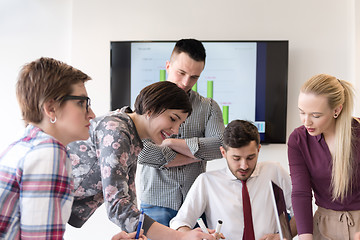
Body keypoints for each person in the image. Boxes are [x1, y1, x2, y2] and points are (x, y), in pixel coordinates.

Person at [67, 81, 216, 240]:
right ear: (151, 109)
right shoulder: (117, 131)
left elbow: (127, 198)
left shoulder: (131, 135)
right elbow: (117, 205)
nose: (176, 130)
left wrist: (137, 233)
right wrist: (180, 237)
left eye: (180, 124)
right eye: (173, 119)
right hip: (48, 203)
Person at [0, 57, 96, 239]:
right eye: (82, 103)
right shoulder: (48, 152)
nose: (91, 114)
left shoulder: (22, 146)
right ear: (51, 108)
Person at [138, 38, 225, 227]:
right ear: (168, 66)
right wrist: (198, 155)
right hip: (155, 204)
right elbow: (144, 152)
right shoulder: (146, 101)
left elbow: (220, 147)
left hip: (195, 205)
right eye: (181, 73)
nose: (186, 82)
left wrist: (169, 144)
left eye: (194, 77)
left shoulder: (208, 107)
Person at [169, 119, 297, 240]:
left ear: (258, 150)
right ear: (223, 153)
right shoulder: (207, 182)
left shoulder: (274, 171)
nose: (244, 166)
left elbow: (301, 211)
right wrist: (195, 236)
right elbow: (179, 222)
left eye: (250, 157)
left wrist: (282, 236)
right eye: (236, 158)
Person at [288, 73, 360, 240]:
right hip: (323, 227)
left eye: (316, 115)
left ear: (337, 110)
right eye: (302, 112)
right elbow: (301, 193)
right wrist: (305, 237)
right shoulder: (298, 140)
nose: (306, 122)